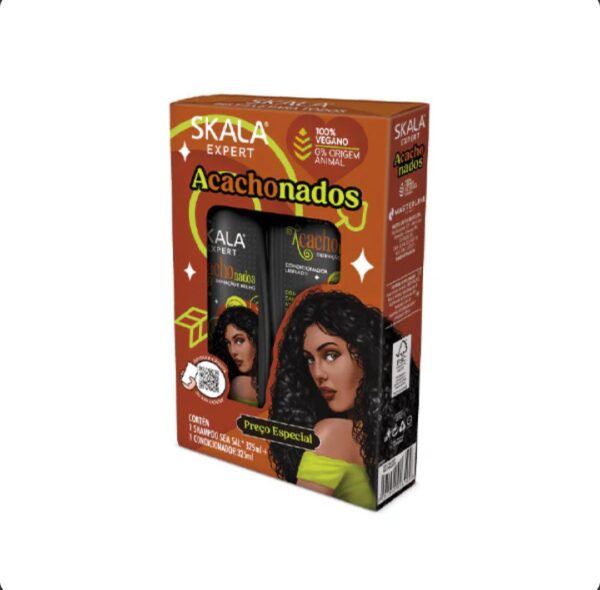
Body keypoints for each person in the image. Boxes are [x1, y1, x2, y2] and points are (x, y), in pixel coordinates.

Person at [268, 289, 419, 509]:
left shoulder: (329, 435)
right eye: (309, 359)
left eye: (331, 355)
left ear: (366, 355)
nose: (318, 373)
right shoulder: (393, 436)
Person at [210, 306, 259, 406]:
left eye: (239, 341)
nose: (232, 351)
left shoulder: (240, 385)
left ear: (256, 339)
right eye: (228, 343)